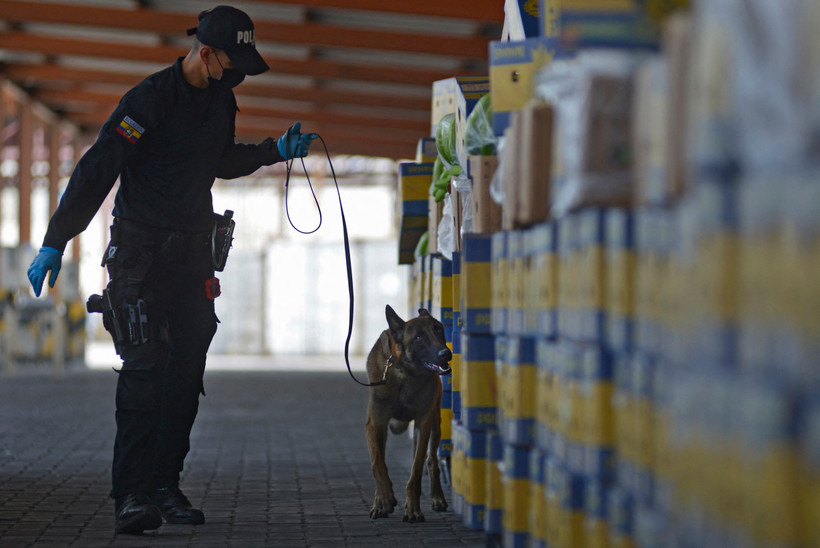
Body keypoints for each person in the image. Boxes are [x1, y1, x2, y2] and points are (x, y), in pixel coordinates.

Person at [25, 5, 316, 536]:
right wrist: (55, 240)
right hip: (140, 258)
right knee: (143, 373)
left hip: (192, 258)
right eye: (233, 65)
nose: (239, 77)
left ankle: (165, 485)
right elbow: (98, 168)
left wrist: (274, 150)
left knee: (184, 377)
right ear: (206, 54)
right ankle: (132, 495)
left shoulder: (220, 101)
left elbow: (219, 161)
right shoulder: (148, 101)